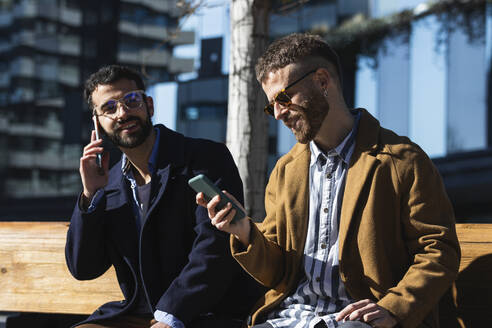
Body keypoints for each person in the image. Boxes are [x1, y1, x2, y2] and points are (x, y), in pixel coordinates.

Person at [197, 33, 460, 328]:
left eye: (284, 98)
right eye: (272, 106)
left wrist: (394, 307)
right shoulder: (285, 171)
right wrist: (244, 230)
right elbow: (279, 271)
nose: (279, 114)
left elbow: (437, 249)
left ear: (322, 81)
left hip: (362, 320)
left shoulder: (401, 160)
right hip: (290, 319)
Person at [66, 65, 261, 328]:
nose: (123, 112)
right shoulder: (109, 183)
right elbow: (84, 267)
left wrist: (171, 315)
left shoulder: (204, 158)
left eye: (131, 100)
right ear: (97, 123)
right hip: (136, 314)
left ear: (149, 105)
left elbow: (216, 246)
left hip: (205, 314)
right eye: (109, 108)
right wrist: (91, 195)